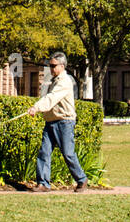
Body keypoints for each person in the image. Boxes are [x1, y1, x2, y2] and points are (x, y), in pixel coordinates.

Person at [26, 52, 89, 192]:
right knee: (44, 152)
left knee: (68, 153)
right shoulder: (54, 80)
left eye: (54, 66)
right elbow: (49, 98)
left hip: (64, 122)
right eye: (50, 66)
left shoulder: (64, 82)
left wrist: (36, 107)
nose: (51, 69)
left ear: (62, 66)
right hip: (51, 122)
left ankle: (81, 179)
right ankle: (43, 184)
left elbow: (52, 98)